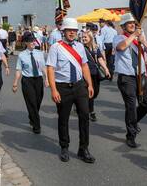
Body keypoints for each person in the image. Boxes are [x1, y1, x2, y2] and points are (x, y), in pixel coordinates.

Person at [46, 18, 95, 163]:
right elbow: (50, 68)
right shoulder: (56, 47)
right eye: (69, 30)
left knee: (85, 117)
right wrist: (53, 90)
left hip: (80, 86)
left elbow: (85, 66)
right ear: (64, 31)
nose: (72, 33)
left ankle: (83, 149)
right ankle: (64, 147)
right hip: (63, 87)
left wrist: (90, 84)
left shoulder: (80, 46)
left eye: (74, 30)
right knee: (63, 118)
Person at [114, 13, 147, 148]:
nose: (132, 25)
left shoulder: (140, 38)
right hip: (127, 77)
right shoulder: (118, 37)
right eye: (129, 23)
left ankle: (133, 121)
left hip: (141, 76)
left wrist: (143, 41)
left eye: (134, 23)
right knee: (131, 106)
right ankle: (131, 135)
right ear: (123, 26)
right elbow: (121, 47)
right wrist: (133, 36)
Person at [12, 34, 49, 134]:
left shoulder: (39, 53)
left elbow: (43, 67)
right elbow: (19, 70)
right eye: (31, 41)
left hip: (38, 80)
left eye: (34, 41)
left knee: (37, 102)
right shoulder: (22, 55)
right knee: (31, 102)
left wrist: (47, 79)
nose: (33, 43)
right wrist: (15, 83)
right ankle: (37, 126)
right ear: (26, 43)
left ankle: (32, 116)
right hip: (27, 81)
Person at [82, 30, 110, 122]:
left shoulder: (95, 48)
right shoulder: (81, 48)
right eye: (82, 37)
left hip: (95, 73)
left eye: (85, 37)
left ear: (90, 38)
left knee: (96, 92)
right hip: (86, 74)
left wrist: (106, 69)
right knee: (90, 93)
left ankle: (84, 105)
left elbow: (100, 59)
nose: (83, 39)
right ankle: (91, 112)